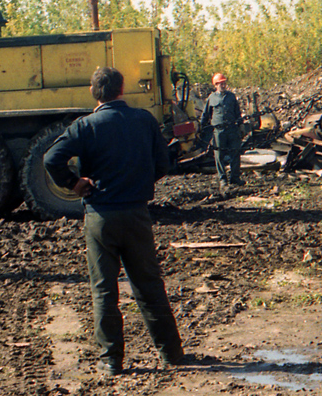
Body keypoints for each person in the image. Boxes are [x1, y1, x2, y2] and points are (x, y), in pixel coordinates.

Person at [43, 66, 184, 376]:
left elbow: (51, 159)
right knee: (149, 285)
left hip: (100, 217)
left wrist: (75, 183)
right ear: (122, 90)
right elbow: (163, 163)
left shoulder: (85, 126)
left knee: (104, 290)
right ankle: (171, 354)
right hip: (137, 214)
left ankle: (111, 361)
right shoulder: (144, 120)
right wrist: (140, 181)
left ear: (95, 93)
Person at [201, 73, 243, 192]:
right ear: (216, 85)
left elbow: (237, 112)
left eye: (224, 83)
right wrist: (202, 128)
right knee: (219, 156)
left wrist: (241, 126)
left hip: (232, 129)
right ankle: (223, 180)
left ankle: (235, 178)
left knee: (235, 154)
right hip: (219, 131)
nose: (223, 85)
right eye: (221, 83)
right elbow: (206, 115)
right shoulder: (211, 98)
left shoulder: (231, 97)